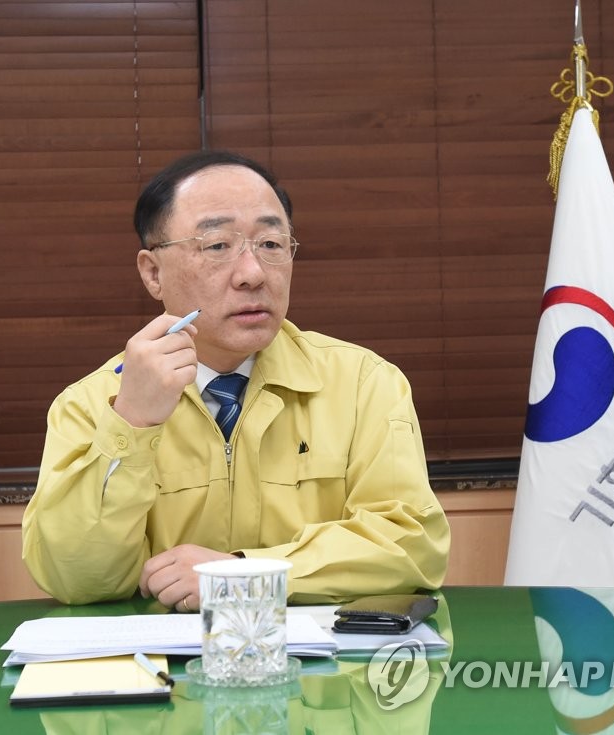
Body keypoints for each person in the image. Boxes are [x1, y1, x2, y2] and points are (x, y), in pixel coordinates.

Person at [22, 151, 450, 610]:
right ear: (153, 273)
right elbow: (76, 577)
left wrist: (244, 574)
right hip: (162, 652)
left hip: (315, 654)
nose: (253, 274)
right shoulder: (92, 403)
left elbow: (412, 545)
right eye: (217, 246)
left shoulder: (364, 384)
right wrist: (132, 423)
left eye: (271, 244)